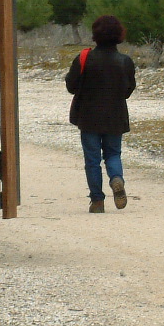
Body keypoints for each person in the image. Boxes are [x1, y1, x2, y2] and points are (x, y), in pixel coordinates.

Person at [65, 15, 137, 213]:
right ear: (119, 35)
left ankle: (97, 201)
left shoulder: (84, 58)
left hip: (88, 117)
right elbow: (128, 91)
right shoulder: (125, 61)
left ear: (95, 34)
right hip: (115, 116)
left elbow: (71, 87)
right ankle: (116, 178)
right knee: (113, 154)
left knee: (92, 160)